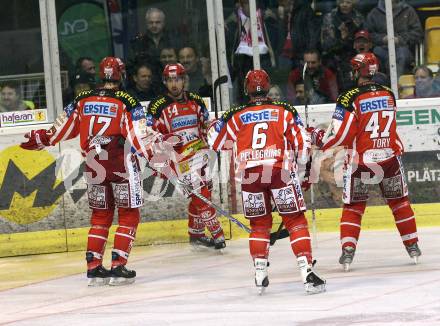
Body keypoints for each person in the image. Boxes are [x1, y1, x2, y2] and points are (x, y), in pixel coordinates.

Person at [20, 57, 158, 286]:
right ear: (121, 75)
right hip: (121, 165)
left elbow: (59, 129)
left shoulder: (82, 99)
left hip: (94, 166)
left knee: (100, 216)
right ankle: (118, 265)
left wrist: (41, 139)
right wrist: (158, 157)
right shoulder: (127, 101)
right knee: (129, 214)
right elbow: (139, 136)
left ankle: (93, 266)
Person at [207, 69, 326, 295]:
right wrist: (301, 169)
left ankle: (260, 274)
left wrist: (214, 125)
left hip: (249, 176)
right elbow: (302, 145)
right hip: (279, 171)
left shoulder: (236, 114)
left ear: (246, 89)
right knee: (295, 220)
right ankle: (306, 273)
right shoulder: (284, 110)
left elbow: (216, 142)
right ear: (268, 86)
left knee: (259, 225)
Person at [307, 53, 422, 271]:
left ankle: (348, 249)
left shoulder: (349, 97)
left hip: (361, 161)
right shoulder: (389, 93)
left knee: (353, 206)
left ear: (357, 71)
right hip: (389, 157)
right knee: (399, 203)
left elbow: (342, 136)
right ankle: (413, 245)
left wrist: (318, 139)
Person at [146, 63, 226, 250]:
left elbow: (205, 126)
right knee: (200, 195)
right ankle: (218, 234)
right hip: (178, 159)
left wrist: (212, 129)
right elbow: (149, 134)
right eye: (170, 80)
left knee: (202, 193)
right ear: (165, 82)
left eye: (178, 79)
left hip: (200, 155)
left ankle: (196, 234)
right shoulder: (157, 105)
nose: (174, 84)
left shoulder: (197, 100)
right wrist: (164, 143)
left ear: (184, 80)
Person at [366, 0, 423, 76]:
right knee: (374, 58)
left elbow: (418, 33)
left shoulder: (408, 10)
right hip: (381, 48)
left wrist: (399, 39)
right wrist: (382, 39)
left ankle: (398, 85)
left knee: (400, 55)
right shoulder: (374, 13)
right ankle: (380, 84)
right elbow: (368, 34)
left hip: (403, 47)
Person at [321, 0, 364, 91]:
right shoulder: (329, 18)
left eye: (348, 2)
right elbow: (326, 45)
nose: (344, 5)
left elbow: (362, 43)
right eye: (342, 2)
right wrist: (342, 39)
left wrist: (348, 38)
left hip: (353, 56)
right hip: (333, 58)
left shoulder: (359, 18)